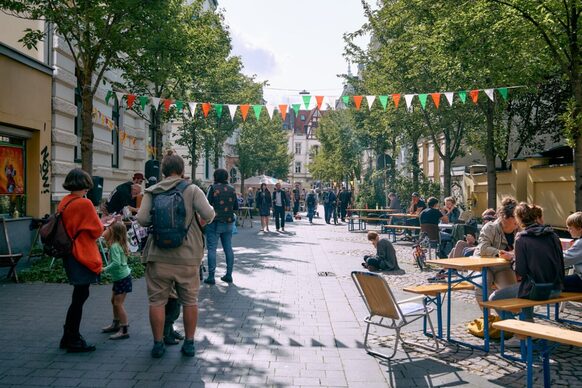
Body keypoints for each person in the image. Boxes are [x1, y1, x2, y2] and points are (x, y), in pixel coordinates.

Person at [137, 151, 215, 358]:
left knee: (157, 302)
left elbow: (142, 220)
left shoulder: (151, 191)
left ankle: (158, 344)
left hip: (158, 256)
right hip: (188, 257)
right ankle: (189, 344)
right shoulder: (192, 190)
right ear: (182, 171)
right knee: (190, 300)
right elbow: (209, 214)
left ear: (162, 171)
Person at [489, 203, 564, 321]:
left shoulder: (521, 238)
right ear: (538, 218)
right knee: (524, 289)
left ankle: (519, 330)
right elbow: (561, 262)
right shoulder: (553, 235)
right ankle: (529, 330)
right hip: (557, 288)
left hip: (537, 290)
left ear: (519, 220)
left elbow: (521, 271)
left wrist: (512, 259)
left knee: (494, 298)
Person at [58, 168, 104, 353]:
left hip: (70, 253)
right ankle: (73, 338)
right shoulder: (84, 204)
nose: (88, 189)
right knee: (80, 297)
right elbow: (97, 230)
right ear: (84, 185)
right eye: (87, 185)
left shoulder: (64, 202)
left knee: (78, 297)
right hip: (82, 254)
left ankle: (68, 335)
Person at [474, 197, 519, 302]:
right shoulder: (490, 228)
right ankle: (488, 317)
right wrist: (500, 253)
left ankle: (506, 317)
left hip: (503, 267)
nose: (518, 221)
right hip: (484, 266)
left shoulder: (519, 230)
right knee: (482, 288)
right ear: (504, 217)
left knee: (512, 295)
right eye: (515, 218)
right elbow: (483, 248)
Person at [205, 168, 238, 285]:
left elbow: (206, 205)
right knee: (228, 248)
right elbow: (236, 207)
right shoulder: (232, 189)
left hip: (214, 222)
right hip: (229, 222)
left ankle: (211, 276)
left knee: (212, 249)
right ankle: (229, 274)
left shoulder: (212, 188)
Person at [101, 221, 132, 340]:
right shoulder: (117, 244)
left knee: (118, 303)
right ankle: (116, 323)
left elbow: (116, 263)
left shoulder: (114, 246)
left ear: (113, 232)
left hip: (122, 278)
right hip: (121, 278)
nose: (106, 230)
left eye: (108, 229)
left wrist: (104, 269)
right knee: (113, 301)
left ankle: (124, 329)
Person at [563, 212, 582, 292]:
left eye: (570, 228)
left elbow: (564, 260)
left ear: (580, 228)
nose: (568, 230)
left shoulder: (580, 243)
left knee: (553, 282)